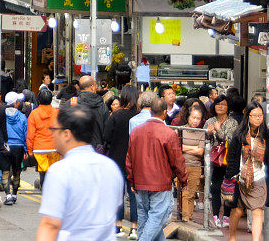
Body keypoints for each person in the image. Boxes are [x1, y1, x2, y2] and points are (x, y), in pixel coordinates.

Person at [36, 105, 124, 241]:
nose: (52, 134)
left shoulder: (60, 171)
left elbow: (50, 224)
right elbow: (113, 210)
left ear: (66, 134)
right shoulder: (111, 167)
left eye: (54, 129)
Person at [127, 98, 188, 241]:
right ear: (165, 113)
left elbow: (129, 159)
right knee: (156, 217)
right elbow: (177, 160)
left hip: (140, 181)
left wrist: (131, 180)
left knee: (145, 217)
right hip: (160, 182)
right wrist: (183, 179)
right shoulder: (168, 133)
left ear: (150, 111)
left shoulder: (136, 131)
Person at [224, 104, 269, 241]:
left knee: (258, 211)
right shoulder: (239, 135)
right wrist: (231, 178)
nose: (258, 119)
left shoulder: (266, 134)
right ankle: (232, 237)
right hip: (240, 178)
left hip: (259, 178)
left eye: (260, 116)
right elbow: (232, 158)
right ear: (248, 117)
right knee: (237, 210)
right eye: (255, 116)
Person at [105, 84, 140, 239]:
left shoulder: (116, 116)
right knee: (133, 194)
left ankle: (118, 226)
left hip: (117, 159)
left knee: (118, 194)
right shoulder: (140, 117)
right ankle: (134, 228)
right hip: (135, 160)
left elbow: (106, 137)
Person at [205, 94, 236, 228]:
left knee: (229, 188)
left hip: (229, 159)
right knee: (216, 187)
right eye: (217, 104)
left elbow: (229, 139)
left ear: (228, 107)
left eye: (223, 104)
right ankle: (216, 215)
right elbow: (204, 138)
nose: (220, 106)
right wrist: (208, 132)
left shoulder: (233, 122)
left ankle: (227, 216)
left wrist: (218, 131)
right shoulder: (209, 121)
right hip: (214, 160)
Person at [27, 87, 60, 189]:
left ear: (39, 100)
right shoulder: (57, 112)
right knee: (53, 171)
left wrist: (30, 149)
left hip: (39, 147)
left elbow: (30, 133)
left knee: (42, 171)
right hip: (54, 146)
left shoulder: (34, 113)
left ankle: (45, 191)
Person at [181, 107, 206, 222]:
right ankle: (185, 217)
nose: (196, 121)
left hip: (195, 167)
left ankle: (187, 217)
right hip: (181, 166)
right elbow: (177, 147)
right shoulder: (181, 130)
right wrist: (193, 148)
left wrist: (184, 148)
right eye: (193, 117)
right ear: (188, 117)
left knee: (191, 193)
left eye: (198, 118)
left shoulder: (201, 133)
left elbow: (200, 152)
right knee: (184, 193)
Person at [2, 91, 27, 205]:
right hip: (19, 147)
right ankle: (14, 194)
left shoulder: (2, 115)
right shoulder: (22, 117)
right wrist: (26, 149)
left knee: (6, 172)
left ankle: (7, 195)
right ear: (16, 103)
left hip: (6, 146)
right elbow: (25, 133)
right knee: (17, 172)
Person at [77, 75, 110, 151]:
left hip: (77, 149)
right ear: (92, 87)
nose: (97, 88)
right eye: (96, 86)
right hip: (98, 149)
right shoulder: (102, 107)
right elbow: (107, 132)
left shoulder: (72, 104)